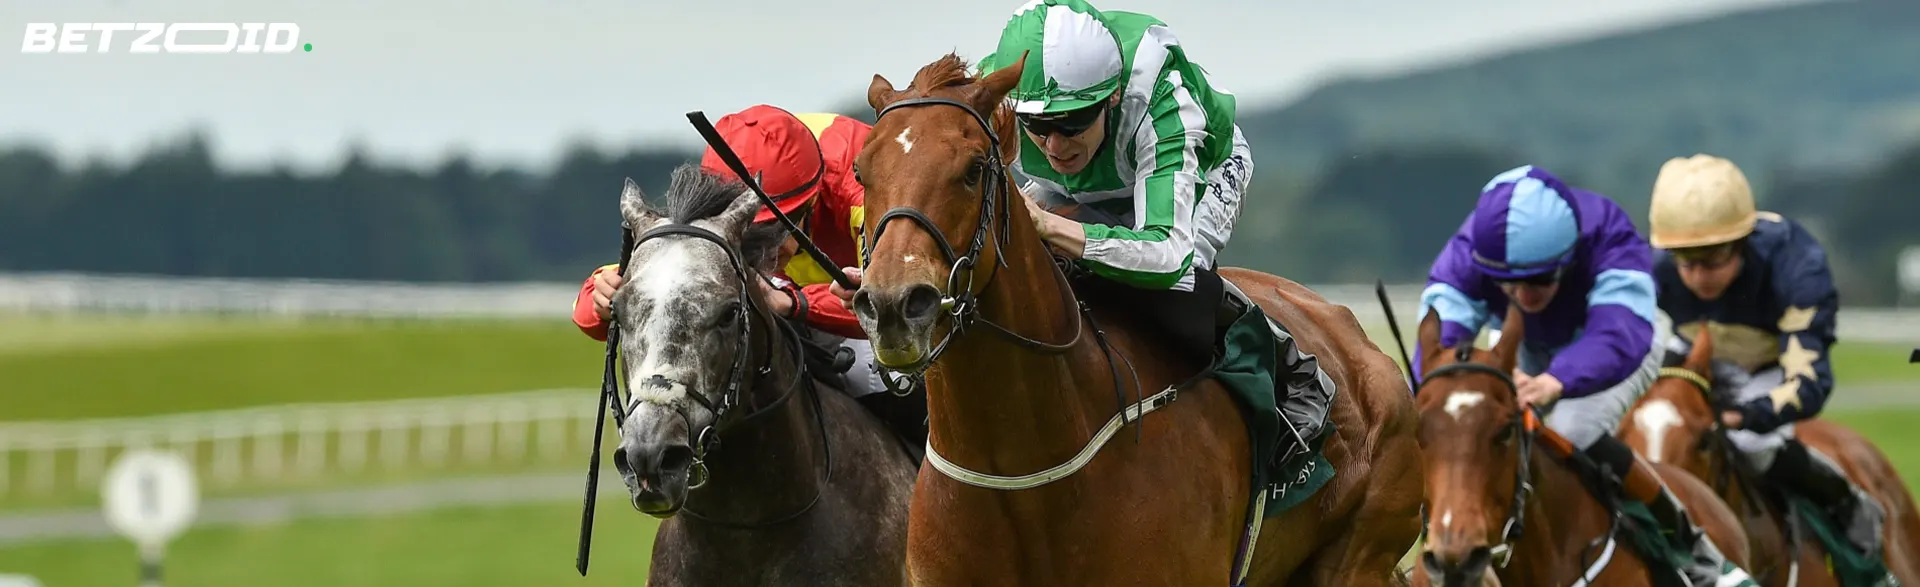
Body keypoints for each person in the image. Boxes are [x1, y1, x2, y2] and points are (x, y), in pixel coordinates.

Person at [1415, 164, 1755, 587]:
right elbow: (1442, 343)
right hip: (1526, 339)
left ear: (1569, 256)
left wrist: (1558, 379)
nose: (1523, 294)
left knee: (1570, 427)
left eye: (1539, 280)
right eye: (1507, 284)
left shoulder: (1609, 236)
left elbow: (1618, 332)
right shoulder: (1473, 249)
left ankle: (1693, 552)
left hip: (1623, 337)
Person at [571, 104, 928, 460]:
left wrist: (794, 302)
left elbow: (904, 306)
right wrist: (599, 297)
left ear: (814, 201)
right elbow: (636, 296)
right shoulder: (719, 199)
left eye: (775, 232)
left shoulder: (871, 191)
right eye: (752, 236)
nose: (770, 253)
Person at [1647, 153, 1885, 558]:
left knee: (1752, 445)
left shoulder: (1796, 268)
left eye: (1714, 260)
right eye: (1685, 262)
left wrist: (1742, 414)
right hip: (1693, 355)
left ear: (1742, 243)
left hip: (1770, 362)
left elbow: (1808, 384)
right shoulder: (1650, 268)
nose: (1698, 276)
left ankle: (1844, 500)